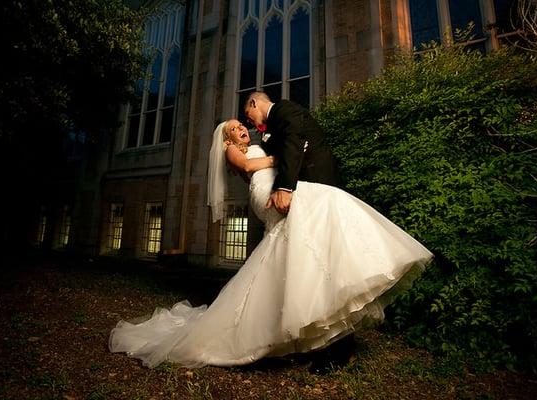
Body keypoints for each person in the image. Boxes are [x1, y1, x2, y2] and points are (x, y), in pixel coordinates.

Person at [108, 119, 433, 369]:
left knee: (306, 242)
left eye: (241, 126)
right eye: (236, 129)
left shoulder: (259, 142)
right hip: (265, 193)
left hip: (278, 186)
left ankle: (318, 313)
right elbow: (250, 167)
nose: (241, 131)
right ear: (228, 138)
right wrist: (284, 154)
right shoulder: (231, 152)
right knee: (328, 200)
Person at [243, 91, 340, 215]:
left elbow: (293, 142)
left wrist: (284, 187)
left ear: (253, 103)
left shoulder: (285, 109)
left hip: (317, 179)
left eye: (247, 113)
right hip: (300, 185)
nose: (247, 120)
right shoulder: (269, 127)